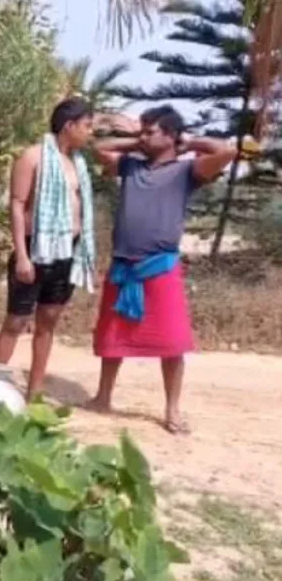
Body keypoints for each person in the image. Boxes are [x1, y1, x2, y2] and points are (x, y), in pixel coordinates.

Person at [87, 106, 236, 434]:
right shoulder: (131, 166)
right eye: (141, 130)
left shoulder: (187, 172)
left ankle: (171, 410)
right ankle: (102, 397)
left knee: (172, 343)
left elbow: (227, 151)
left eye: (150, 130)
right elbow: (98, 150)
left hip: (160, 268)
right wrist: (136, 142)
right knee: (113, 337)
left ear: (170, 135)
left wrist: (187, 142)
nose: (142, 135)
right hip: (124, 265)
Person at [0, 97, 97, 399]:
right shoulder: (33, 157)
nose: (91, 132)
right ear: (69, 125)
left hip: (68, 252)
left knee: (48, 321)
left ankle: (35, 390)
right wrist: (22, 256)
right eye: (87, 126)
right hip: (34, 250)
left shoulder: (78, 164)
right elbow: (17, 205)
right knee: (16, 320)